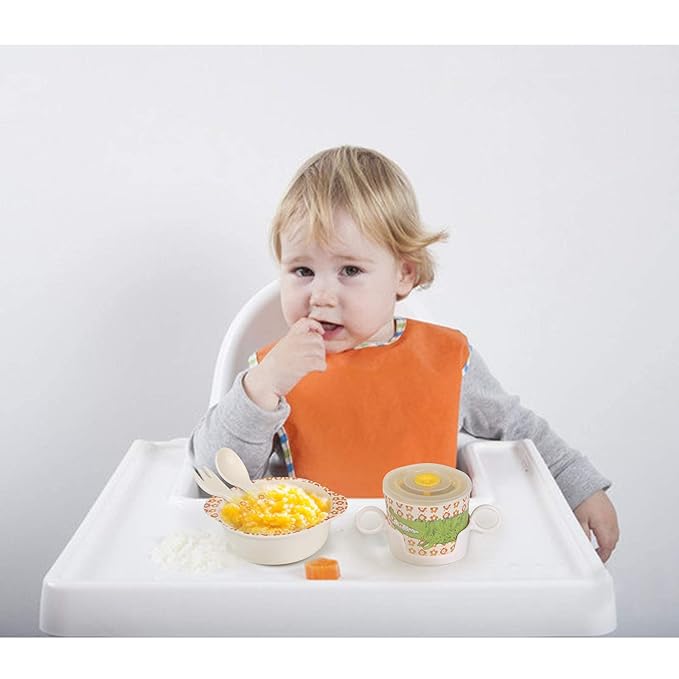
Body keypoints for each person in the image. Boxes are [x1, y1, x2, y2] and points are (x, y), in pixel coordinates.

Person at [190, 145, 620, 562]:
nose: (321, 294)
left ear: (404, 274)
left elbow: (518, 429)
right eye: (302, 270)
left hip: (424, 564)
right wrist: (262, 387)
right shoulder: (270, 375)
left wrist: (578, 486)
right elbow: (214, 480)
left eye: (350, 270)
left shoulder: (446, 358)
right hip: (309, 567)